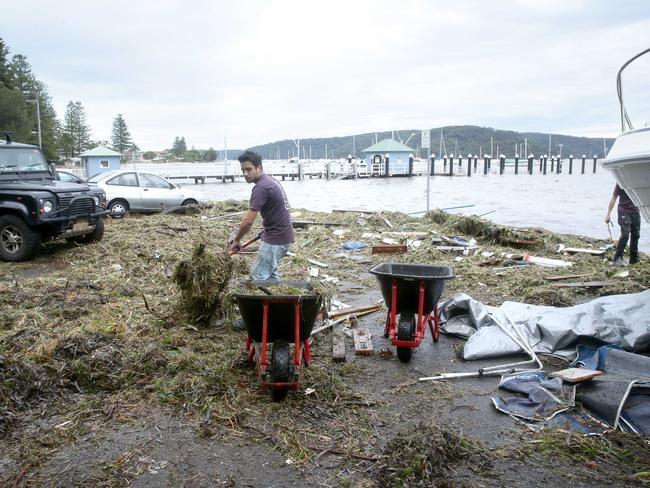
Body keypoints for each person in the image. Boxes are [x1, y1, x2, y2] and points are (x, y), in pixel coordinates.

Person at [229, 150, 294, 282]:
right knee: (271, 277)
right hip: (282, 236)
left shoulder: (261, 187)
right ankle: (278, 301)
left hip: (276, 239)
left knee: (257, 277)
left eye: (249, 169)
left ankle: (262, 302)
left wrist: (237, 240)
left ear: (259, 167)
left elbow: (248, 221)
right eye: (243, 170)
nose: (245, 174)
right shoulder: (270, 180)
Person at [605, 183, 640, 266]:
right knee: (625, 235)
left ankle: (634, 259)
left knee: (636, 234)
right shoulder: (621, 180)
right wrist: (608, 214)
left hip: (635, 211)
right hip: (624, 210)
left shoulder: (638, 178)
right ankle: (617, 258)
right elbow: (614, 197)